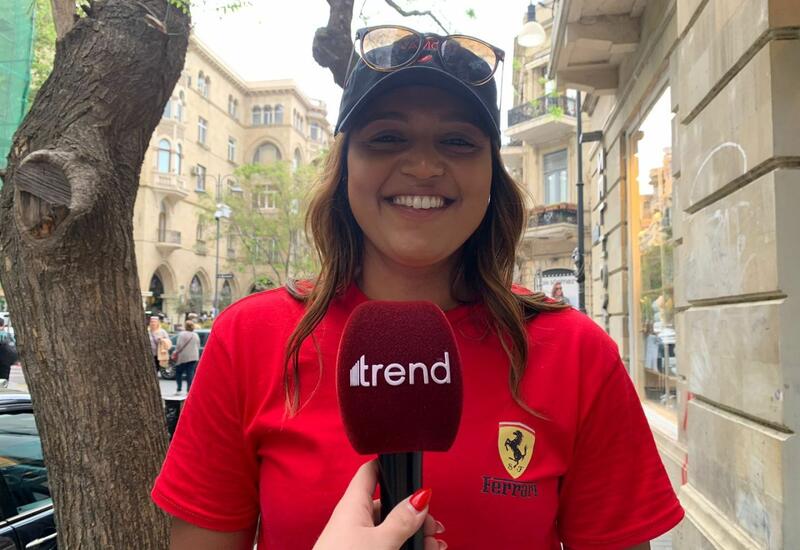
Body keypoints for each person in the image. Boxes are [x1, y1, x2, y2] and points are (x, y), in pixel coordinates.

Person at [152, 25, 683, 549]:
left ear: (492, 175)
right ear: (345, 167)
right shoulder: (249, 339)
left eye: (458, 141)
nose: (425, 166)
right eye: (387, 137)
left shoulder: (577, 355)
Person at [172, 320, 200, 395]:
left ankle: (179, 389)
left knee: (179, 372)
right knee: (190, 373)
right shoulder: (195, 335)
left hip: (183, 357)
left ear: (185, 326)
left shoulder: (182, 334)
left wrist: (175, 352)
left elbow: (179, 345)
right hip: (194, 356)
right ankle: (189, 390)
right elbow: (198, 345)